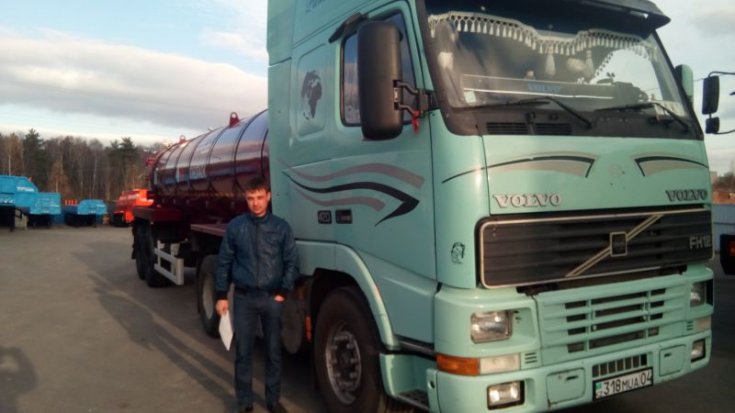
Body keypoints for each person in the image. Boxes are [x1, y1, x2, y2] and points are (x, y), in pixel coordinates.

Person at [215, 176, 298, 413]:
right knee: (243, 352)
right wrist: (221, 295)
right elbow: (224, 262)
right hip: (244, 298)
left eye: (260, 197)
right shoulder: (236, 227)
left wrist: (283, 292)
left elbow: (292, 262)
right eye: (251, 198)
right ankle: (244, 402)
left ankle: (273, 400)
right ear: (245, 198)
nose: (256, 203)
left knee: (273, 352)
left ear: (268, 197)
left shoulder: (281, 227)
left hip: (272, 299)